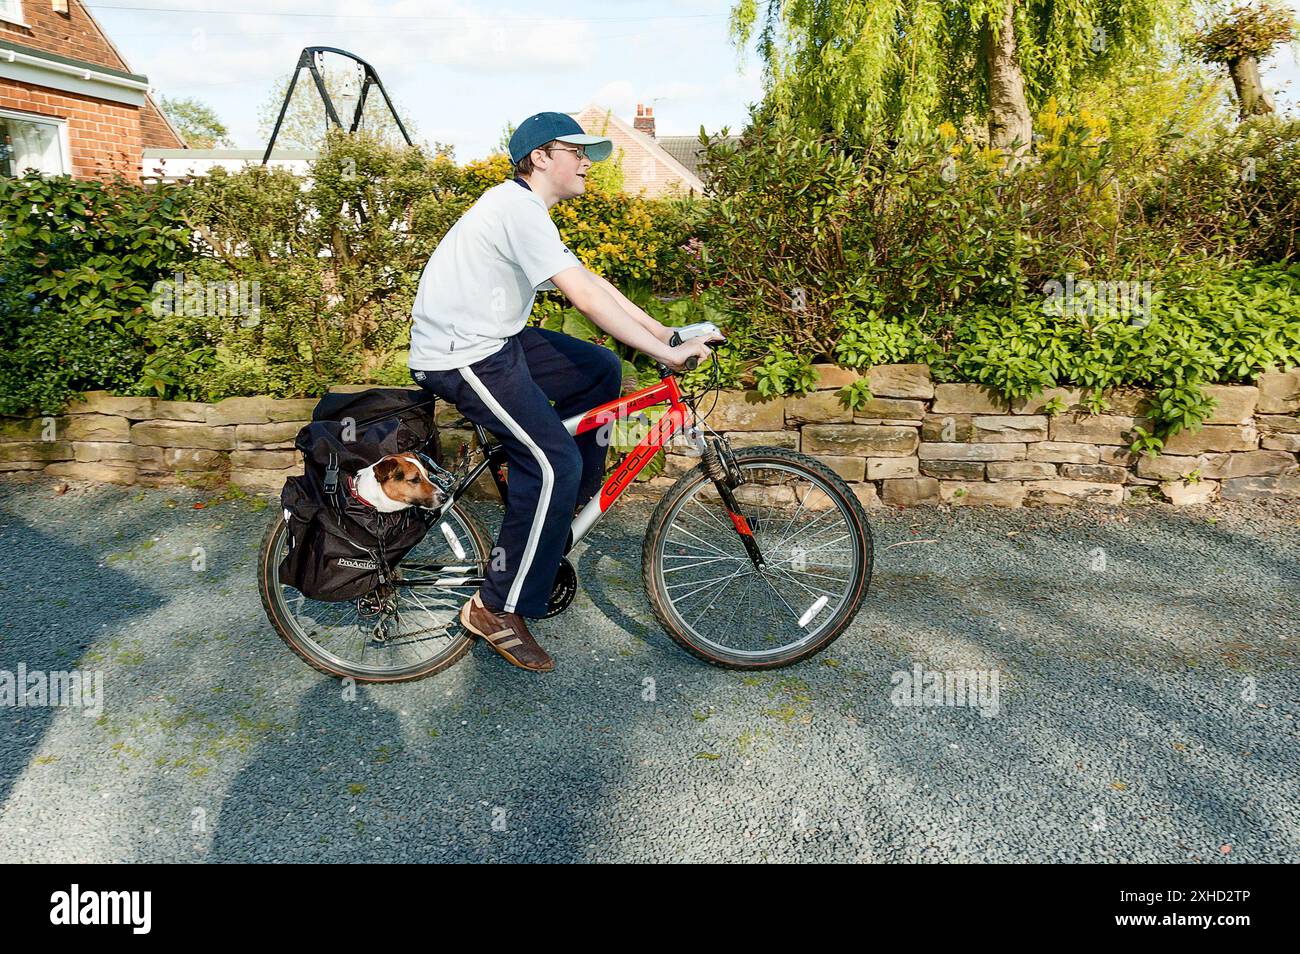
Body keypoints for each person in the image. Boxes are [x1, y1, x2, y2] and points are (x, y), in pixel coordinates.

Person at [408, 111, 715, 673]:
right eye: (577, 152)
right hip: (461, 354)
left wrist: (669, 334)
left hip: (494, 340)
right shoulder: (515, 209)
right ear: (540, 157)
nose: (587, 164)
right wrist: (666, 356)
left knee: (598, 369)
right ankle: (495, 607)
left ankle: (561, 508)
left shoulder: (528, 212)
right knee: (551, 463)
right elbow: (586, 301)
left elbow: (596, 284)